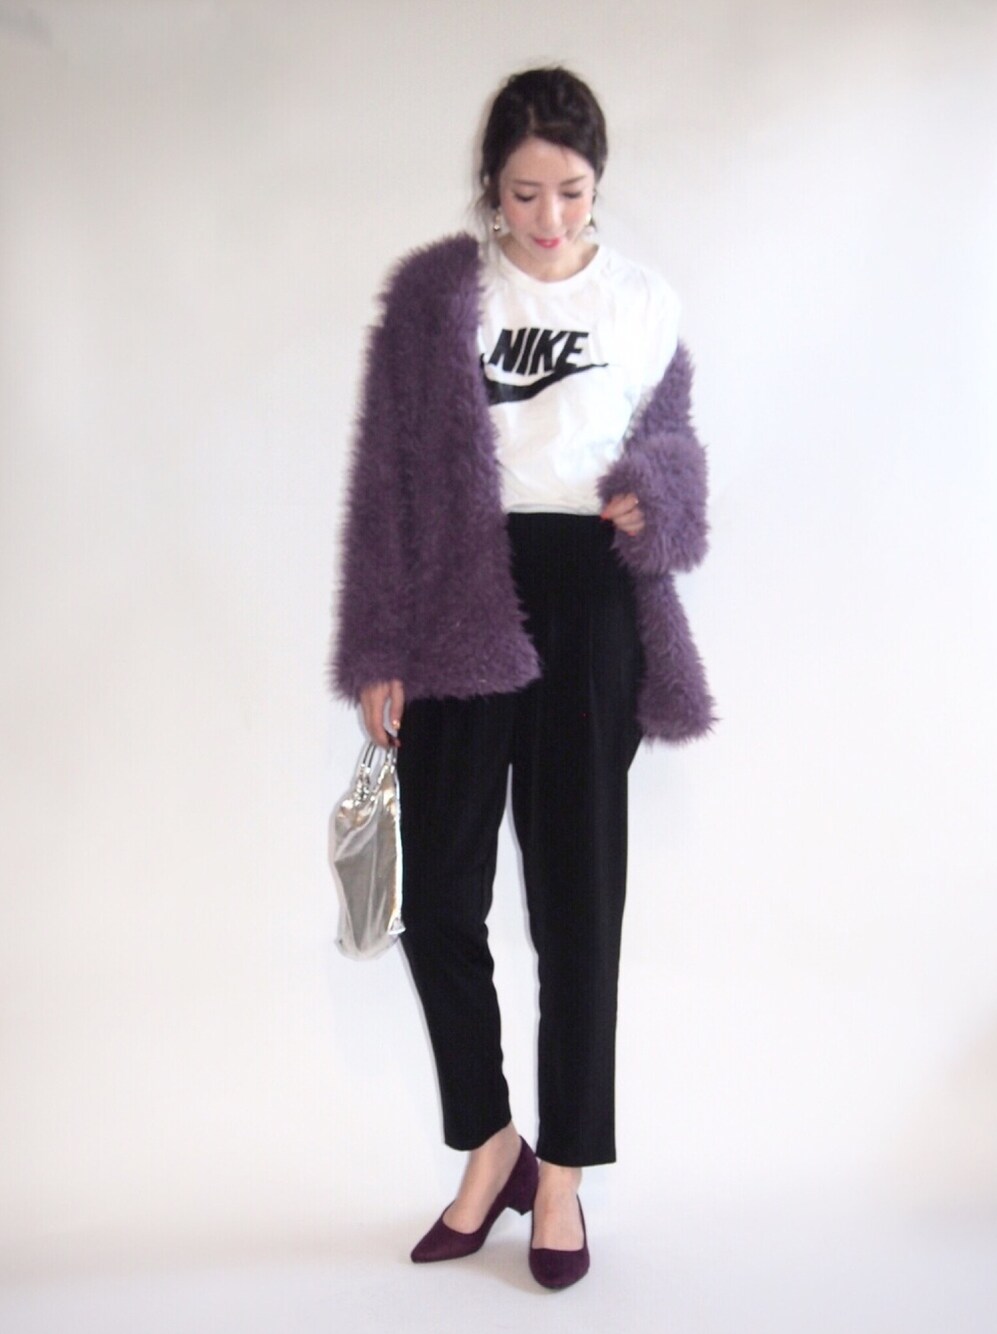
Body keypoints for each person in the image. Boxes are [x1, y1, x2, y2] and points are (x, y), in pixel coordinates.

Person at [330, 66, 714, 1290]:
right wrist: (378, 643)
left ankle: (563, 1176)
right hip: (462, 590)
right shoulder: (437, 298)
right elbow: (388, 478)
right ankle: (493, 1140)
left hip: (589, 595)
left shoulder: (642, 302)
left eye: (572, 191)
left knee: (575, 906)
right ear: (489, 188)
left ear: (599, 184)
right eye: (525, 193)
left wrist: (654, 493)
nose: (549, 218)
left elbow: (677, 446)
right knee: (436, 896)